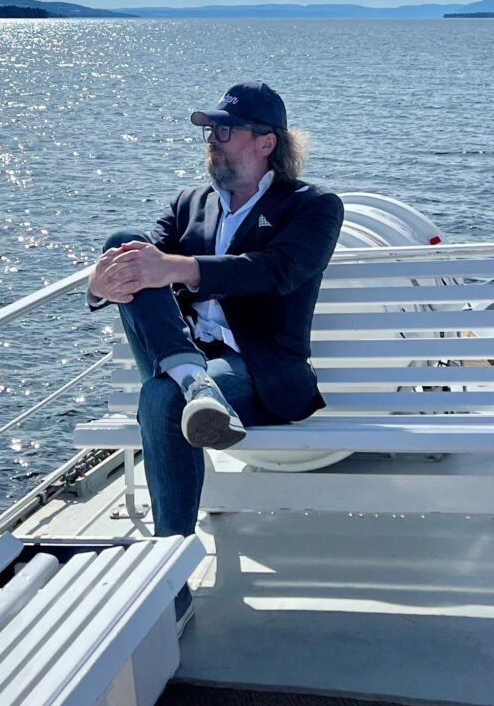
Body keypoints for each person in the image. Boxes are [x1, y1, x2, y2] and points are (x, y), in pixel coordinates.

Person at [90, 82, 343, 539]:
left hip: (255, 369)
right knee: (123, 243)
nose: (212, 140)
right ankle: (194, 379)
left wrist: (176, 267)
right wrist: (97, 287)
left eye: (224, 130)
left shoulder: (312, 206)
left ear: (266, 142)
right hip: (179, 348)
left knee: (162, 397)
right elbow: (143, 268)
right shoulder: (189, 204)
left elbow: (276, 270)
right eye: (208, 130)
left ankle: (169, 553)